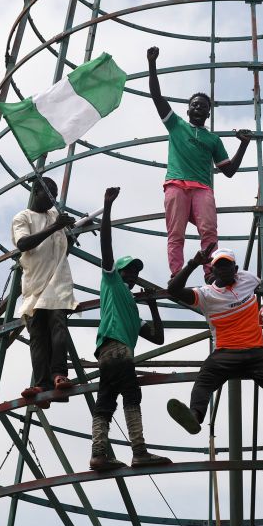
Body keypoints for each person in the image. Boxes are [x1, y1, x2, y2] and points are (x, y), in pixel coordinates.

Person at [165, 247, 263, 464]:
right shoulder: (206, 295)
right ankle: (195, 417)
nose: (224, 269)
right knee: (204, 379)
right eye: (219, 265)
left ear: (235, 268)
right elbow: (173, 290)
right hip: (225, 353)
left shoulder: (247, 279)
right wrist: (192, 263)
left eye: (227, 264)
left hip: (256, 352)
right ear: (213, 270)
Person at [147, 45, 253, 283]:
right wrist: (152, 65)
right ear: (188, 109)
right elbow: (156, 96)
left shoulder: (213, 139)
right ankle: (176, 273)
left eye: (203, 106)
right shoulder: (175, 124)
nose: (198, 108)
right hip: (176, 185)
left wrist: (244, 144)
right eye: (194, 104)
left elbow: (229, 171)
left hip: (202, 188)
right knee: (176, 233)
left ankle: (209, 272)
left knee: (209, 232)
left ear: (208, 113)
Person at [90, 187, 172, 471]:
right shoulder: (112, 285)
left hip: (109, 353)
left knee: (105, 403)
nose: (132, 275)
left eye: (135, 272)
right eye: (128, 271)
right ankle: (139, 450)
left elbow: (158, 338)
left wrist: (152, 305)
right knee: (131, 396)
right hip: (117, 350)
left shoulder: (132, 309)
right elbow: (106, 248)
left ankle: (99, 453)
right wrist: (108, 206)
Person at [12, 177, 79, 407]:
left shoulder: (55, 217)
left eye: (55, 194)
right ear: (36, 192)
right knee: (38, 337)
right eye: (48, 192)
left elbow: (61, 248)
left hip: (57, 283)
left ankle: (59, 374)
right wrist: (56, 227)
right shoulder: (23, 218)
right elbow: (23, 244)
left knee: (58, 326)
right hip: (33, 285)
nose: (53, 199)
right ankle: (42, 383)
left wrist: (70, 234)